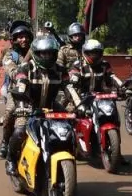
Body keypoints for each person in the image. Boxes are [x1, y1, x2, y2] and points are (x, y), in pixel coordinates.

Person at [5, 35, 79, 176]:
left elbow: (69, 88)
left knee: (70, 129)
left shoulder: (60, 70)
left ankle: (69, 169)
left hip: (52, 107)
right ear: (36, 53)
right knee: (20, 130)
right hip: (29, 106)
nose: (46, 56)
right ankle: (11, 159)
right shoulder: (26, 68)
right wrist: (21, 107)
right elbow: (21, 87)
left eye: (50, 53)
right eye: (43, 53)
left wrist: (78, 105)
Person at [0, 20, 34, 159]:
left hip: (36, 90)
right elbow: (13, 72)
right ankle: (5, 141)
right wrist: (27, 60)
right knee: (10, 113)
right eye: (20, 37)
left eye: (25, 36)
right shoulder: (10, 55)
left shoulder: (37, 53)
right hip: (16, 92)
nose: (23, 39)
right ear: (14, 40)